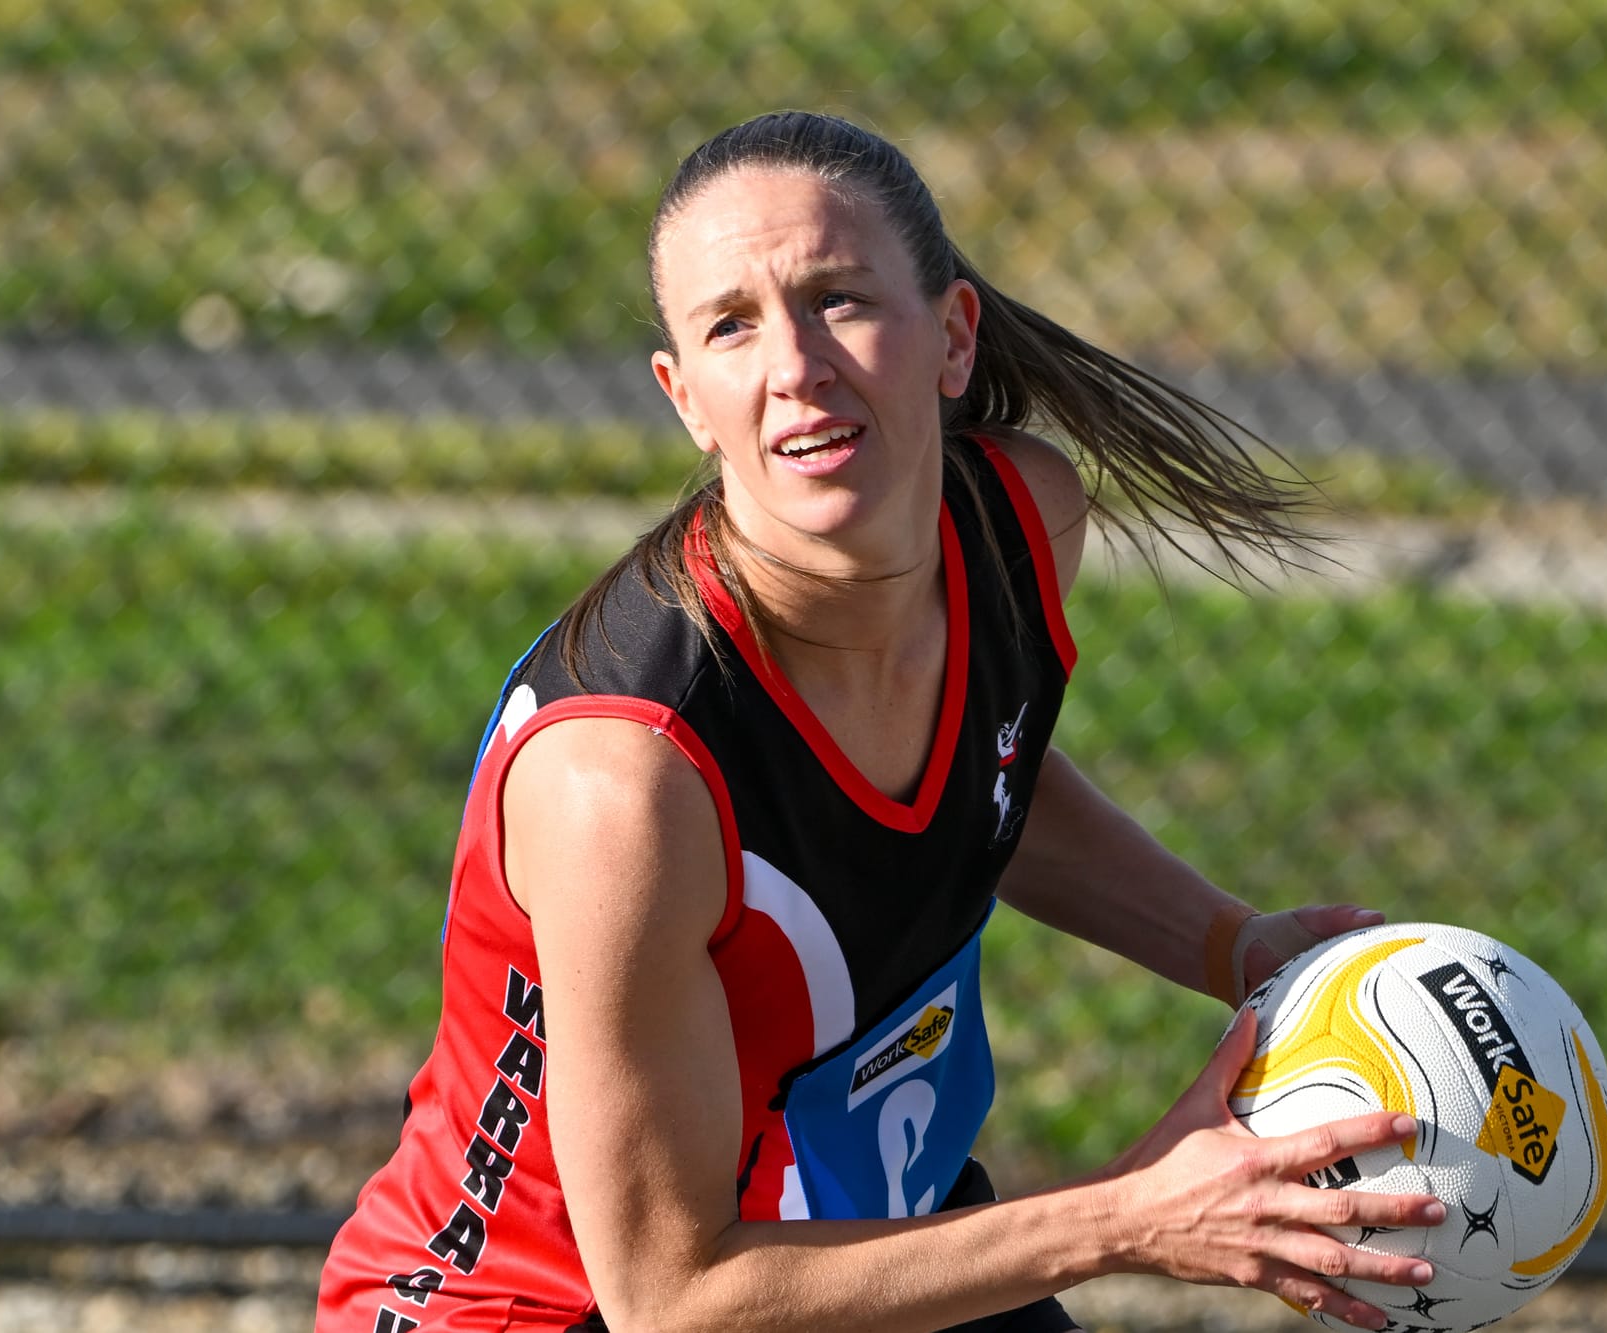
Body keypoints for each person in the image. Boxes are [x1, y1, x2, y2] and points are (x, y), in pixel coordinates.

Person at [316, 110, 1445, 1333]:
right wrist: (1126, 1216)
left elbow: (990, 768)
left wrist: (1233, 945)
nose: (793, 365)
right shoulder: (627, 781)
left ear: (952, 336)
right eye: (730, 326)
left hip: (845, 1228)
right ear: (684, 396)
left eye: (838, 299)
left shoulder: (1017, 527)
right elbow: (671, 1296)